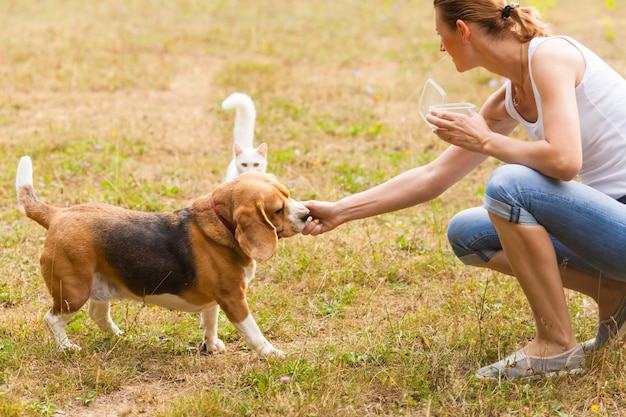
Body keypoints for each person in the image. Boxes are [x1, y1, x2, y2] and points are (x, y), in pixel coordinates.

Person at [302, 0, 626, 380]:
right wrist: (341, 210)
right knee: (468, 233)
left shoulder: (551, 57)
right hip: (610, 225)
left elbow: (564, 160)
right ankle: (614, 293)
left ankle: (555, 346)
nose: (441, 47)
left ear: (463, 30)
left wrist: (486, 141)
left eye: (441, 35)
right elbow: (433, 176)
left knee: (509, 186)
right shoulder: (511, 96)